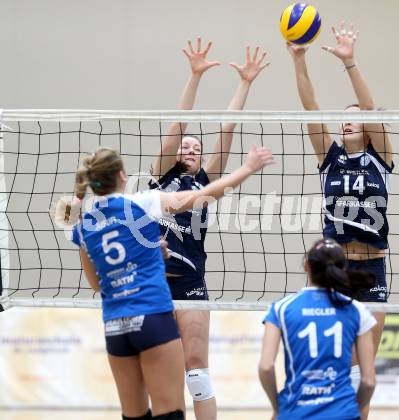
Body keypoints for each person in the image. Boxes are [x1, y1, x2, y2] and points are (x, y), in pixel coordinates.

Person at [62, 145, 273, 420]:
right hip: (152, 319)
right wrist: (248, 168)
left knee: (135, 416)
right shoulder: (141, 203)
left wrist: (150, 253)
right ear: (123, 176)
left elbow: (97, 285)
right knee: (169, 413)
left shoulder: (85, 225)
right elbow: (202, 197)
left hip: (115, 326)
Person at [149, 37, 269, 420]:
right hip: (154, 280)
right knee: (160, 375)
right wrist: (194, 76)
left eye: (196, 147)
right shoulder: (158, 178)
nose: (189, 149)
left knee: (197, 372)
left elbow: (228, 129)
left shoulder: (205, 183)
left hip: (191, 282)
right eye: (184, 146)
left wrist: (245, 83)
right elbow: (177, 124)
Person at [286, 21, 393, 407]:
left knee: (363, 370)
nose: (348, 118)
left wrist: (350, 63)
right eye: (343, 115)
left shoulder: (379, 158)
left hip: (373, 271)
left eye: (354, 115)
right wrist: (298, 60)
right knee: (335, 363)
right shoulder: (329, 160)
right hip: (335, 270)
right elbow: (311, 108)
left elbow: (369, 108)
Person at [259, 238, 377, 420]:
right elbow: (368, 382)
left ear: (307, 266)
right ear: (342, 269)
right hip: (343, 413)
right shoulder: (357, 311)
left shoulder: (281, 308)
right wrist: (352, 411)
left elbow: (266, 367)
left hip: (295, 411)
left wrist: (279, 407)